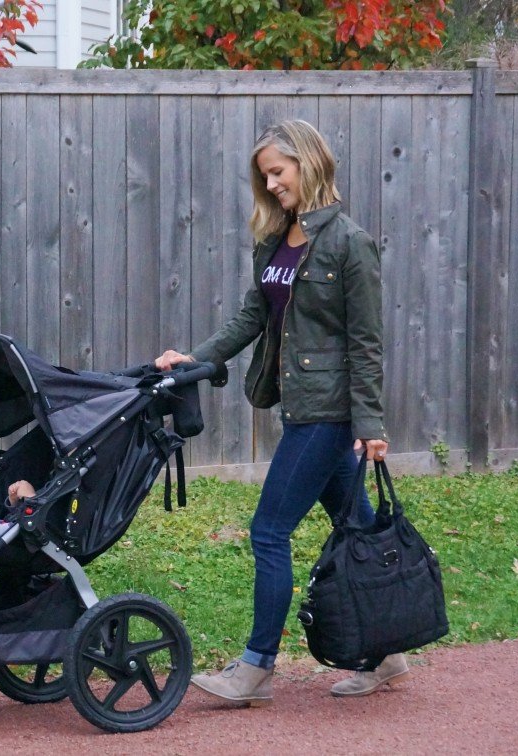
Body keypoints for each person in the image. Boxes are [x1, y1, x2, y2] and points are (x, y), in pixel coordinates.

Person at [155, 120, 406, 705]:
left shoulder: (349, 243)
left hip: (330, 415)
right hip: (298, 407)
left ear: (308, 164)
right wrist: (196, 358)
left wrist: (370, 425)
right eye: (264, 175)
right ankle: (387, 649)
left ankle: (256, 667)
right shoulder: (275, 241)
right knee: (358, 527)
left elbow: (366, 343)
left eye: (278, 172)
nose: (270, 185)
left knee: (269, 530)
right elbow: (253, 316)